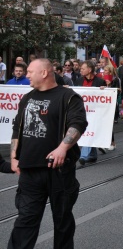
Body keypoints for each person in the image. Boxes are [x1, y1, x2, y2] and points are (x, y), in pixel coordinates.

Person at [8, 58, 88, 249]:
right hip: (30, 170)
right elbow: (17, 128)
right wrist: (13, 157)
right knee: (25, 219)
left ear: (44, 73)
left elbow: (78, 124)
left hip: (58, 171)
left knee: (62, 221)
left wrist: (62, 148)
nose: (26, 75)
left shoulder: (68, 97)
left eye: (29, 72)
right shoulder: (27, 98)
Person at [75, 60, 107, 165]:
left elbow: (105, 97)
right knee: (88, 132)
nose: (81, 70)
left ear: (89, 70)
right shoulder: (79, 80)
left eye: (83, 69)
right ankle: (92, 155)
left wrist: (105, 90)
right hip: (82, 111)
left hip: (94, 112)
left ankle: (83, 156)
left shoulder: (99, 81)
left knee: (89, 131)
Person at [103, 64, 121, 149]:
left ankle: (112, 141)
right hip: (103, 104)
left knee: (109, 123)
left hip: (112, 104)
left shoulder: (116, 80)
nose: (104, 72)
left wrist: (109, 86)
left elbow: (118, 91)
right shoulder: (102, 79)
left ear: (110, 71)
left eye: (106, 70)